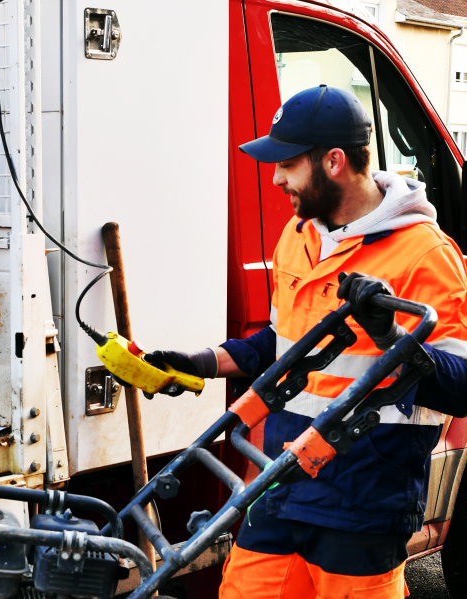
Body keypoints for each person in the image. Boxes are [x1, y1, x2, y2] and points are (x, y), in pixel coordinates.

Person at [150, 85, 467, 598]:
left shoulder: (426, 255)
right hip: (278, 487)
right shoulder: (298, 236)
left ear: (334, 161)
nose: (275, 178)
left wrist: (393, 335)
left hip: (362, 502)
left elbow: (461, 388)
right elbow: (285, 343)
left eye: (287, 164)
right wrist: (199, 363)